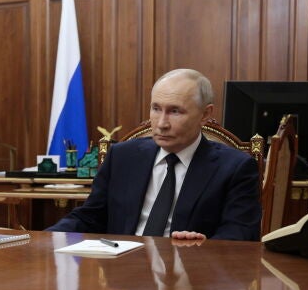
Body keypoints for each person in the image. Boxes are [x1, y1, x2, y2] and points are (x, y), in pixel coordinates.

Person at [47, 68, 261, 241]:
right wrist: (45, 240)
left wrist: (205, 247)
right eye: (156, 109)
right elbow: (90, 217)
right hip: (122, 270)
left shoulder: (235, 168)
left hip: (192, 272)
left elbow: (240, 232)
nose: (161, 124)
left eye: (175, 111)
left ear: (205, 114)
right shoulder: (122, 157)